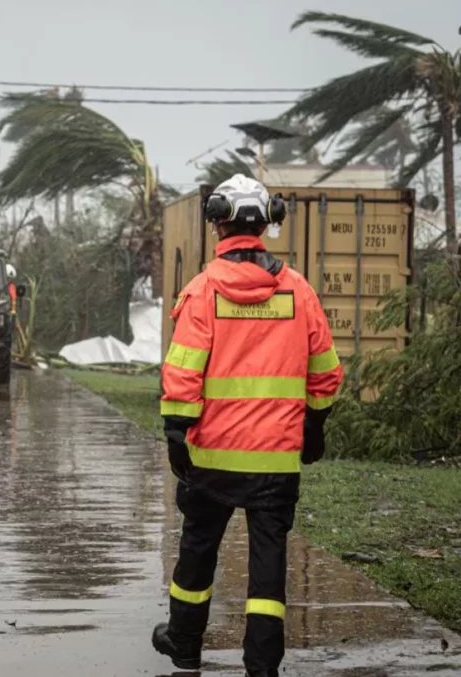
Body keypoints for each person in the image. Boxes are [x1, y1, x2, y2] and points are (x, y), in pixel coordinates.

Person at [152, 174, 344, 677]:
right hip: (276, 462)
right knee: (268, 565)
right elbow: (325, 371)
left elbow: (183, 370)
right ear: (268, 223)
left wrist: (177, 431)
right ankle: (262, 667)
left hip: (211, 457)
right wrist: (315, 425)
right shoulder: (298, 291)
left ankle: (185, 646)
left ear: (217, 222)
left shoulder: (203, 290)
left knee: (198, 548)